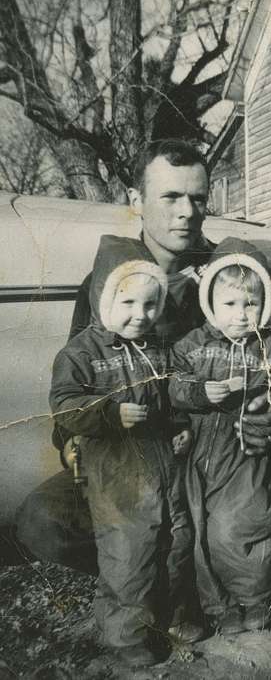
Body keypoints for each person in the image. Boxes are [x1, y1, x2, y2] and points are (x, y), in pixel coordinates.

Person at [15, 139, 271, 612]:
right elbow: (79, 376)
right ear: (135, 202)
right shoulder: (109, 283)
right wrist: (72, 441)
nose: (187, 212)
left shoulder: (233, 274)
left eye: (197, 199)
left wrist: (265, 414)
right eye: (171, 197)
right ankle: (178, 574)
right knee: (43, 520)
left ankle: (244, 559)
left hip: (230, 450)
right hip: (144, 454)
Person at [49, 235, 193, 667]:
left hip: (162, 461)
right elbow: (65, 405)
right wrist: (109, 414)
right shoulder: (81, 354)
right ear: (103, 298)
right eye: (128, 303)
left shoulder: (156, 348)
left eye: (150, 305)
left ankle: (170, 616)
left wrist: (181, 425)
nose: (140, 316)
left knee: (175, 539)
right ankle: (126, 634)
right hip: (115, 468)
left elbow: (174, 394)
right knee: (128, 550)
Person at [169, 238, 271, 634]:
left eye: (250, 303)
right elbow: (172, 386)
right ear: (210, 305)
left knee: (239, 526)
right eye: (230, 305)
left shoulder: (269, 350)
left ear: (263, 304)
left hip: (241, 453)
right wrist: (199, 393)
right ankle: (218, 609)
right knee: (196, 533)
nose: (240, 315)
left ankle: (256, 601)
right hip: (196, 454)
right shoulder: (192, 347)